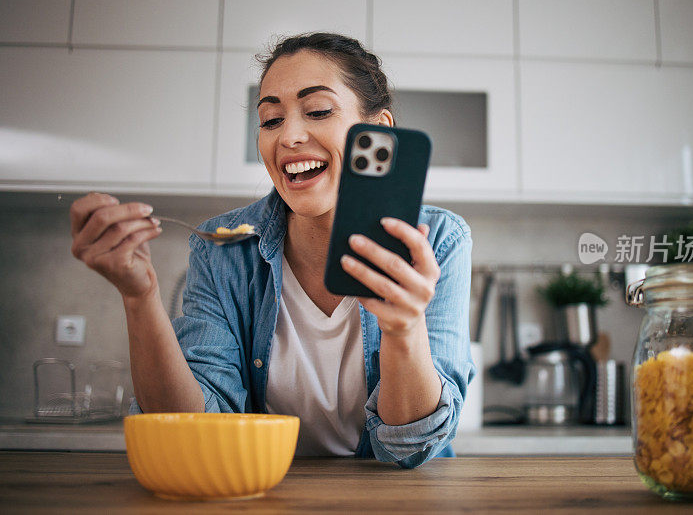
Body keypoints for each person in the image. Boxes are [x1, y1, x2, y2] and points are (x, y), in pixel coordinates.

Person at [69, 32, 474, 469]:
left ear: (378, 131)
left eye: (317, 110)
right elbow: (195, 428)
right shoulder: (222, 246)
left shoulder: (437, 240)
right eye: (270, 120)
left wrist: (403, 329)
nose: (290, 137)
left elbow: (409, 447)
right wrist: (139, 297)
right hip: (266, 493)